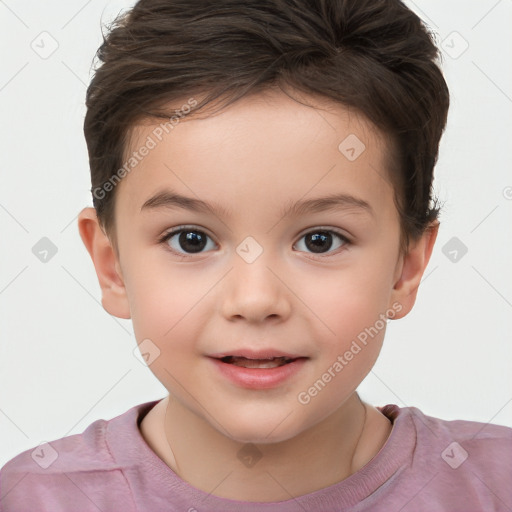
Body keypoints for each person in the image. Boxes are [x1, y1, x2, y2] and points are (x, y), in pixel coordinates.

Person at [1, 0, 511, 510]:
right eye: (191, 239)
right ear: (111, 266)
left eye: (320, 240)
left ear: (407, 267)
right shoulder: (33, 498)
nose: (255, 299)